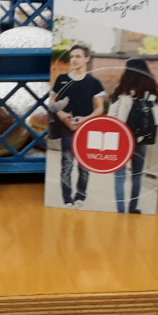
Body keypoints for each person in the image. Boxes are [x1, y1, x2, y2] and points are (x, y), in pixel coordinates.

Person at [49, 44, 107, 207]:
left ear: (87, 58)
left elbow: (100, 108)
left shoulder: (94, 83)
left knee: (84, 166)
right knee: (67, 165)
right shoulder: (61, 79)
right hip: (66, 128)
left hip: (87, 129)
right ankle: (67, 199)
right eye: (72, 56)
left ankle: (80, 196)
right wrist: (61, 115)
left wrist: (86, 119)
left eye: (78, 56)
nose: (74, 59)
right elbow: (51, 103)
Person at [110, 59, 158, 215]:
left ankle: (120, 210)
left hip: (122, 138)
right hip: (142, 138)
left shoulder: (122, 91)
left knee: (120, 177)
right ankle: (133, 208)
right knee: (137, 176)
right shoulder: (152, 92)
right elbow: (156, 117)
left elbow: (112, 116)